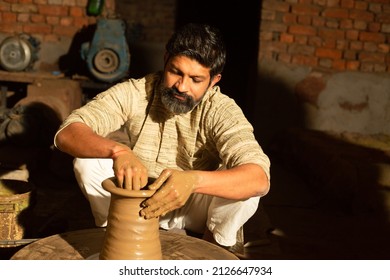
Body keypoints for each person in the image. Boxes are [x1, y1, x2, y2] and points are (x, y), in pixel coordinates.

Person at [54, 23, 271, 253]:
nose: (181, 86)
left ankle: (213, 248)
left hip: (194, 207)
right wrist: (118, 151)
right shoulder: (137, 92)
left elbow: (259, 178)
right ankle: (118, 232)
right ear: (165, 59)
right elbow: (67, 132)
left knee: (246, 189)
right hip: (137, 199)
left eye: (196, 80)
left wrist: (193, 181)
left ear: (214, 80)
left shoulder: (221, 110)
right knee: (88, 161)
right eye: (176, 72)